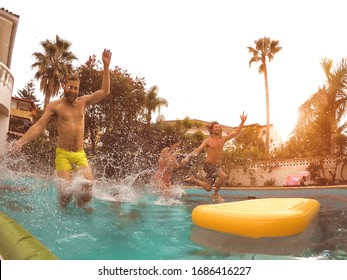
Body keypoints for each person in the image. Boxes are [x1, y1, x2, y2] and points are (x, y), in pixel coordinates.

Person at [10, 49, 112, 210]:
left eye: (76, 88)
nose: (73, 91)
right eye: (70, 87)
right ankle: (62, 208)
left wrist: (106, 67)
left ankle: (80, 205)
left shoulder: (82, 102)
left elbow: (105, 91)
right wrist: (21, 142)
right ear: (64, 85)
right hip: (63, 154)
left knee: (87, 189)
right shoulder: (55, 106)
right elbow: (39, 126)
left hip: (80, 154)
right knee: (66, 194)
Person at [181, 112, 247, 202]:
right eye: (216, 127)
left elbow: (235, 132)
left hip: (215, 166)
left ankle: (194, 179)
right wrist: (187, 157)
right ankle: (215, 194)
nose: (218, 128)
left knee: (208, 187)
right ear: (211, 130)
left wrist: (242, 122)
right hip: (208, 165)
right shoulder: (208, 141)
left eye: (219, 127)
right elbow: (198, 149)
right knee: (223, 176)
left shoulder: (223, 139)